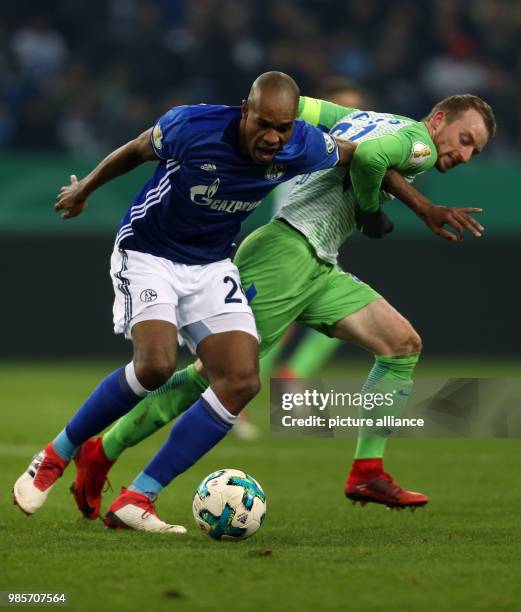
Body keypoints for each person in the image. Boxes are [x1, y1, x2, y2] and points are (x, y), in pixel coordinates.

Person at [13, 71, 424, 532]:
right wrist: (84, 188)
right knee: (156, 366)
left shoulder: (302, 143)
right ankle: (54, 456)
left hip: (211, 264)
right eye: (263, 124)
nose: (272, 138)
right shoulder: (192, 126)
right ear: (244, 111)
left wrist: (407, 206)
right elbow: (133, 150)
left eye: (283, 128)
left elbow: (364, 156)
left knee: (241, 380)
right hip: (149, 252)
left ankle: (138, 497)